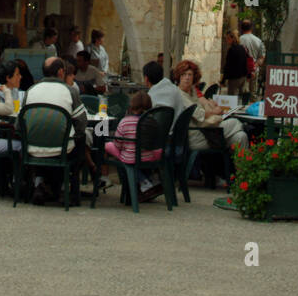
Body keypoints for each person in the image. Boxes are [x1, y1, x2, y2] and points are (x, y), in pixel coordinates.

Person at [23, 56, 95, 205]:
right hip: (62, 150)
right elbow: (81, 122)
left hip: (32, 148)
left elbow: (20, 123)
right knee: (80, 142)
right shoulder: (69, 91)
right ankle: (67, 189)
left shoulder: (30, 91)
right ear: (61, 72)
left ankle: (40, 183)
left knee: (45, 139)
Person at [175, 58, 246, 188]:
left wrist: (211, 107)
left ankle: (243, 179)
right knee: (236, 123)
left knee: (241, 136)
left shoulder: (192, 92)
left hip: (208, 131)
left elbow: (205, 108)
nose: (186, 78)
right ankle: (235, 176)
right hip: (197, 136)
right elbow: (200, 114)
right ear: (178, 77)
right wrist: (215, 112)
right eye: (183, 75)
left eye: (189, 75)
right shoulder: (180, 95)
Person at [103, 91, 163, 166]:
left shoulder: (125, 122)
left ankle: (104, 171)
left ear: (132, 104)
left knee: (107, 145)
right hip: (149, 158)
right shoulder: (153, 122)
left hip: (129, 159)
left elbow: (118, 145)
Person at [221, 30, 250, 96]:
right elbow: (246, 62)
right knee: (240, 99)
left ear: (232, 39)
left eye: (228, 38)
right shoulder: (242, 48)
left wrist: (223, 80)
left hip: (234, 79)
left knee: (232, 99)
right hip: (243, 77)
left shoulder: (231, 50)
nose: (226, 40)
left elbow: (227, 66)